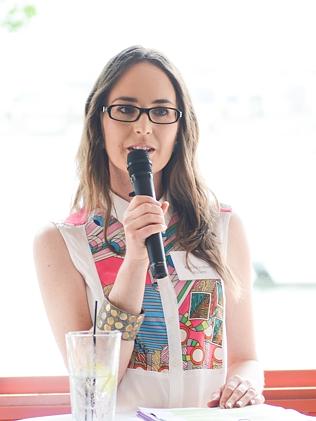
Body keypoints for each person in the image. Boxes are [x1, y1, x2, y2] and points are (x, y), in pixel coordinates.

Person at [33, 45, 265, 411]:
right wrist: (135, 259)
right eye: (125, 109)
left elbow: (246, 358)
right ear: (99, 120)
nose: (143, 126)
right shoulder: (62, 241)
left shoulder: (224, 226)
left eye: (160, 111)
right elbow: (93, 385)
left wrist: (245, 384)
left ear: (180, 125)